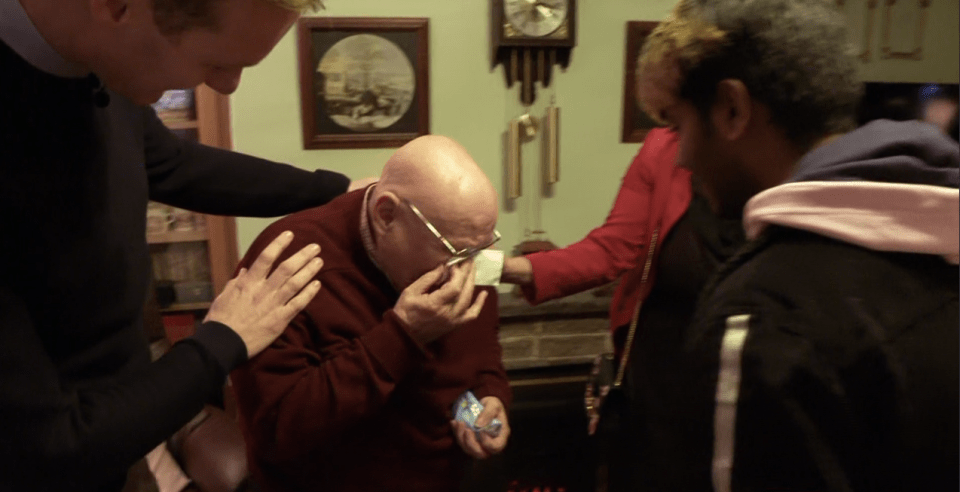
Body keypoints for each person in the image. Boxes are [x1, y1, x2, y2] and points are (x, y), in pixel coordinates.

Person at [0, 0, 373, 490]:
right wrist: (225, 337)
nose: (227, 85)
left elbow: (168, 162)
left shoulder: (96, 62)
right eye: (217, 62)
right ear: (116, 7)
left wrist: (340, 194)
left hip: (125, 442)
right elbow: (52, 446)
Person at [632, 0, 959, 491]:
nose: (680, 156)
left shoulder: (763, 311)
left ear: (731, 109)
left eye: (679, 126)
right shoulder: (941, 255)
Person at [231, 135, 512, 492]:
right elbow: (276, 431)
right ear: (386, 214)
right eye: (456, 254)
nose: (467, 272)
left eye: (482, 249)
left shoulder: (467, 245)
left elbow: (482, 347)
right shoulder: (288, 260)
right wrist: (402, 336)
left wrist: (491, 393)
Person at [500, 126, 744, 490]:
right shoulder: (662, 147)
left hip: (736, 376)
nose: (669, 124)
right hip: (658, 379)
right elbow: (613, 248)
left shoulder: (783, 158)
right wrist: (501, 268)